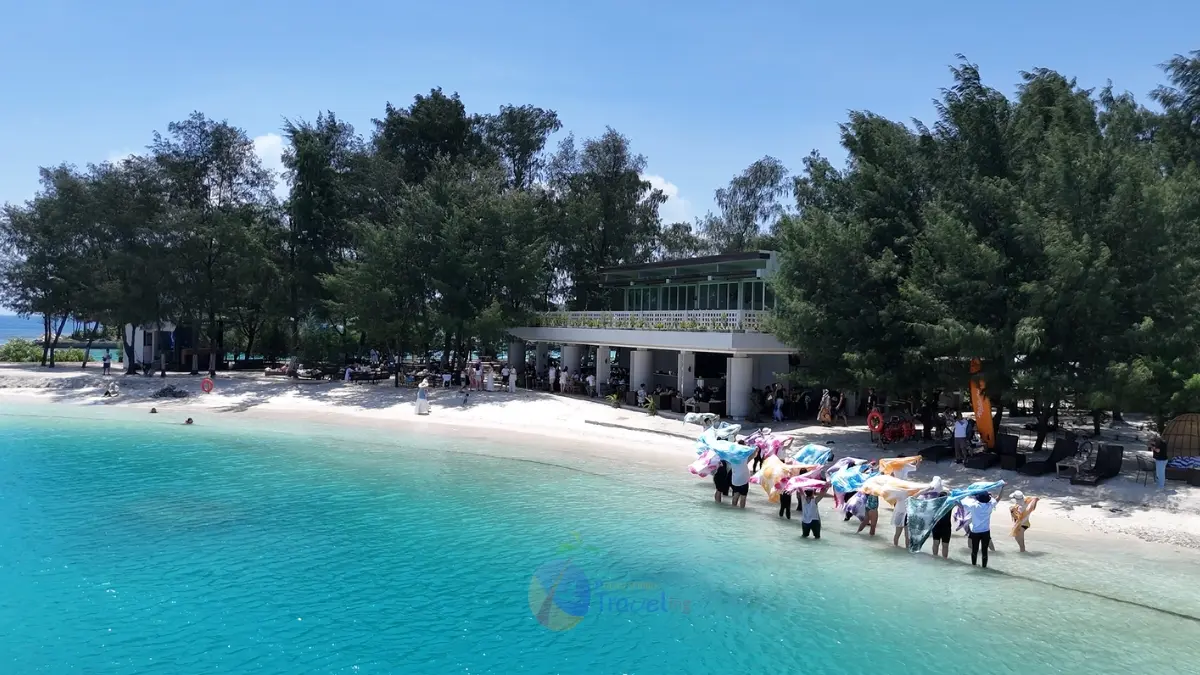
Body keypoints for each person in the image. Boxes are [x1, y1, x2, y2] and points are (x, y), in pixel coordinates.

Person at [961, 491, 997, 568]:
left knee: (974, 550)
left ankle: (973, 565)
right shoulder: (990, 506)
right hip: (986, 532)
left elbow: (962, 504)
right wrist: (1001, 489)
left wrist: (957, 501)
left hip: (975, 532)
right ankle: (984, 567)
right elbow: (996, 499)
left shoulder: (973, 506)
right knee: (985, 551)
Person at [926, 477, 952, 559]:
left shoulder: (935, 504)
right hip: (946, 528)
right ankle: (944, 560)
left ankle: (935, 558)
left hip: (936, 526)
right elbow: (959, 504)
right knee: (945, 545)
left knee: (935, 543)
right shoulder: (949, 505)